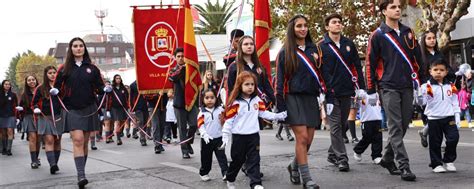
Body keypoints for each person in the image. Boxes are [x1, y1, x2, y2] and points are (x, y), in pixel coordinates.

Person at [366, 0, 424, 181]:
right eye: (393, 7)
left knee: (403, 124)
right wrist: (370, 90)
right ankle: (404, 166)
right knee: (395, 127)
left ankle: (387, 158)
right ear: (384, 11)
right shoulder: (377, 35)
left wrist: (422, 83)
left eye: (399, 7)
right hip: (388, 86)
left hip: (407, 85)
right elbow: (370, 63)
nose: (398, 10)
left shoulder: (408, 32)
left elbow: (418, 59)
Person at [51, 37, 108, 188]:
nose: (78, 48)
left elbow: (99, 87)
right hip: (71, 108)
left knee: (85, 142)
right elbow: (56, 86)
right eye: (75, 46)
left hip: (89, 107)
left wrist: (105, 89)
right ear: (71, 49)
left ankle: (82, 171)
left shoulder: (92, 68)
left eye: (81, 46)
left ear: (84, 48)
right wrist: (54, 91)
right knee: (77, 139)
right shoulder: (64, 68)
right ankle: (81, 175)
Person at [276, 15, 324, 188]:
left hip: (311, 97)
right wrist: (280, 105)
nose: (303, 29)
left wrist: (328, 96)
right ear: (292, 29)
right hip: (292, 97)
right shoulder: (285, 52)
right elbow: (280, 82)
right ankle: (307, 179)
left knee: (309, 140)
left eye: (305, 25)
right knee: (302, 138)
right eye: (298, 26)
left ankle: (294, 166)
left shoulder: (315, 49)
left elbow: (322, 75)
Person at [222, 71, 286, 189]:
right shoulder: (235, 103)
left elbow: (263, 113)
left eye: (252, 84)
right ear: (240, 86)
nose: (250, 87)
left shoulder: (256, 99)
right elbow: (229, 121)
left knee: (254, 159)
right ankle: (230, 178)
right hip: (238, 137)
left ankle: (256, 183)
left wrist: (278, 116)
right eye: (247, 84)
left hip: (253, 136)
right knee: (238, 160)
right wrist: (225, 136)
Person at [318, 13, 365, 172]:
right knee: (336, 126)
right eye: (334, 22)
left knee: (343, 124)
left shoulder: (349, 44)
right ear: (327, 26)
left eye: (339, 22)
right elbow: (318, 70)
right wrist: (321, 91)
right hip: (330, 93)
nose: (338, 24)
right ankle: (342, 158)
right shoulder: (321, 46)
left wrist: (362, 87)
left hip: (347, 90)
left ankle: (332, 153)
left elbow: (357, 66)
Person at [418, 59, 460, 173]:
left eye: (441, 70)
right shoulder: (426, 86)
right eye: (435, 70)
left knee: (453, 138)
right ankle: (436, 164)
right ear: (430, 71)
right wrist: (420, 97)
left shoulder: (451, 86)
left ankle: (449, 160)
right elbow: (422, 103)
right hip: (434, 119)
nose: (438, 72)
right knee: (435, 142)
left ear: (446, 72)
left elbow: (455, 101)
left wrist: (457, 115)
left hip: (449, 117)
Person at [32, 66, 63, 174]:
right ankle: (52, 164)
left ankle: (55, 163)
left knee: (57, 140)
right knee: (49, 140)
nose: (53, 75)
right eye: (50, 73)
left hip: (59, 117)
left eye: (54, 72)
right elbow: (34, 102)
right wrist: (36, 108)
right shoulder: (40, 88)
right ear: (46, 75)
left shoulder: (61, 86)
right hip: (45, 117)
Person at [168, 47, 199, 159]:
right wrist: (182, 68)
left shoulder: (191, 68)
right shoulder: (173, 70)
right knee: (182, 128)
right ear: (175, 58)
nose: (181, 58)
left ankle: (188, 142)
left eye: (183, 56)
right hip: (179, 103)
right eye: (179, 56)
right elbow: (172, 78)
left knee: (194, 125)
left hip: (191, 102)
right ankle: (184, 150)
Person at [197, 88, 228, 182]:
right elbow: (200, 125)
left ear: (216, 98)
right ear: (203, 99)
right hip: (207, 140)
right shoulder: (202, 112)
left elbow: (226, 121)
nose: (210, 100)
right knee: (206, 158)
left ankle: (225, 173)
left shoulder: (220, 110)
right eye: (207, 98)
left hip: (219, 138)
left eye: (212, 97)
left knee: (222, 157)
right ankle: (204, 172)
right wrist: (204, 134)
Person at [352, 91, 383, 164]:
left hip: (377, 118)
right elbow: (358, 101)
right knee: (367, 137)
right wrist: (360, 95)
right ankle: (357, 151)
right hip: (366, 120)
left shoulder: (377, 93)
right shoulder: (361, 92)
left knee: (378, 137)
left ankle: (376, 155)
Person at [17, 75, 41, 168]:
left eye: (33, 79)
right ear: (26, 83)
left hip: (40, 117)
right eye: (29, 80)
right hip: (29, 117)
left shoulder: (41, 91)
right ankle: (33, 161)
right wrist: (20, 111)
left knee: (38, 139)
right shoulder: (24, 95)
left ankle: (36, 157)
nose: (31, 81)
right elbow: (21, 107)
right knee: (32, 138)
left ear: (36, 80)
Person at [107, 74, 129, 146]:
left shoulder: (123, 88)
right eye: (117, 78)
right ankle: (118, 139)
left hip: (122, 108)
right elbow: (108, 99)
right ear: (114, 79)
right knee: (117, 122)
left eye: (119, 78)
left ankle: (118, 134)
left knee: (122, 122)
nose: (118, 79)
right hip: (114, 108)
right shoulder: (111, 88)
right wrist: (107, 110)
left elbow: (127, 98)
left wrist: (128, 107)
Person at [0, 80, 19, 156]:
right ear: (3, 85)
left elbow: (16, 105)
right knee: (3, 132)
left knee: (10, 131)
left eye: (9, 84)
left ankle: (9, 149)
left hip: (11, 115)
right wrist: (5, 95)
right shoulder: (0, 94)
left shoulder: (13, 94)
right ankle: (3, 148)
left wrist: (17, 117)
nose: (7, 86)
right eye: (6, 84)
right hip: (1, 116)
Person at [129, 80, 149, 146]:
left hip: (145, 106)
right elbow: (131, 97)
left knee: (145, 122)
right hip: (137, 107)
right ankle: (142, 138)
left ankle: (144, 136)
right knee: (141, 121)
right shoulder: (133, 85)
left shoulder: (145, 82)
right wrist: (132, 108)